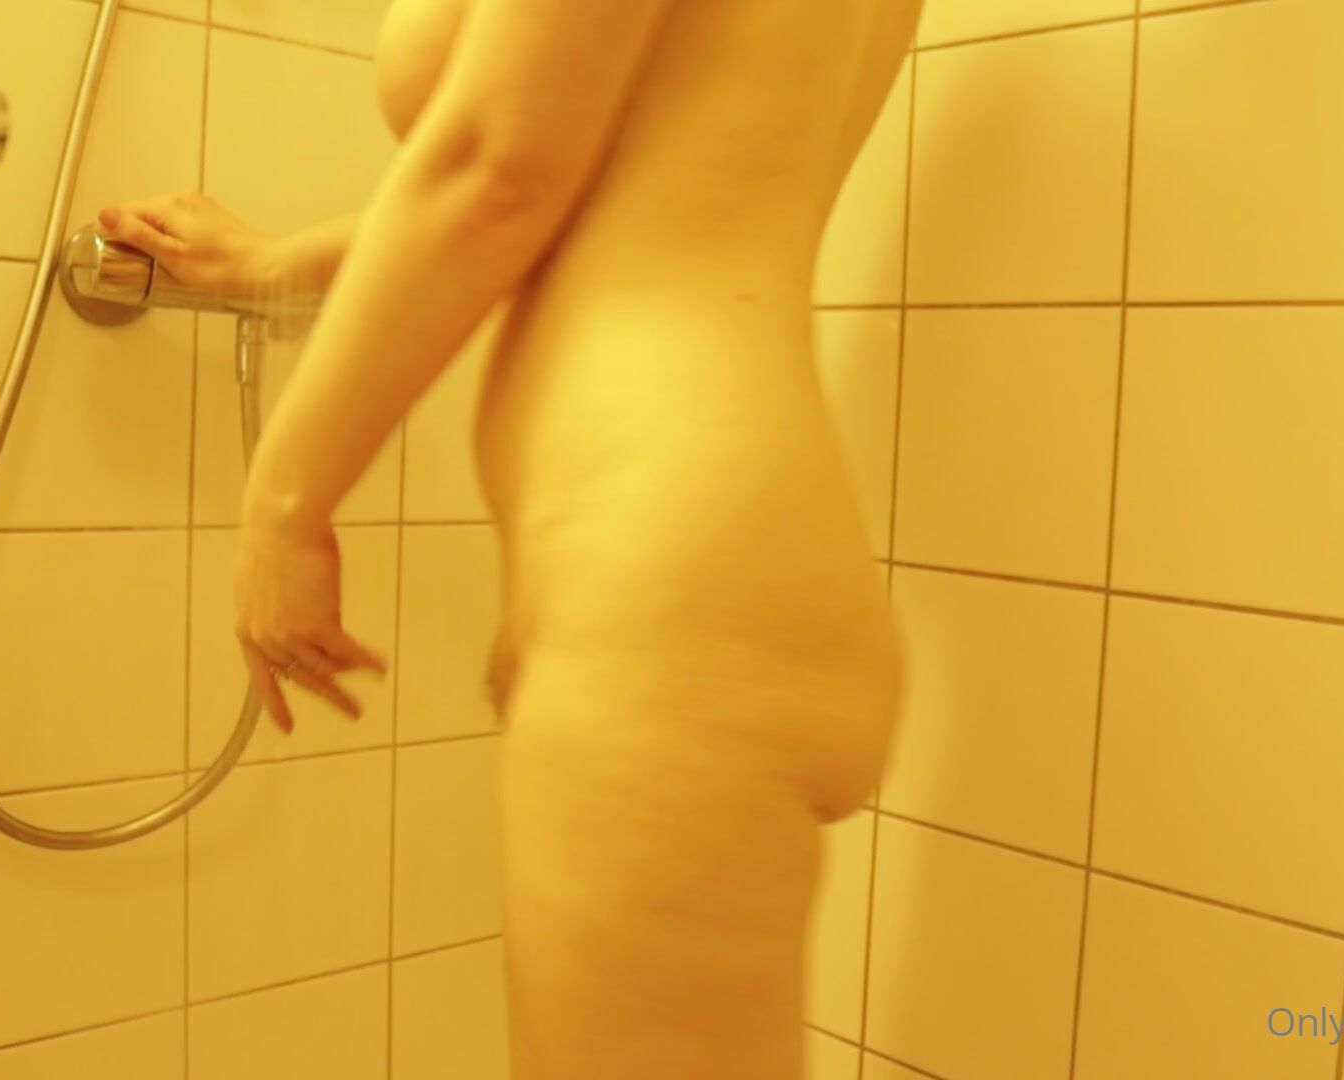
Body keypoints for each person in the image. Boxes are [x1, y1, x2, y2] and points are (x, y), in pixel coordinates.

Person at [98, 1, 915, 1075]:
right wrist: (276, 263)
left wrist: (284, 503)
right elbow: (608, 176)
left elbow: (495, 173)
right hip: (721, 559)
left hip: (665, 591)